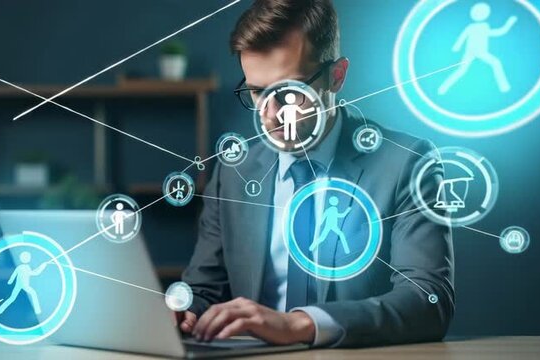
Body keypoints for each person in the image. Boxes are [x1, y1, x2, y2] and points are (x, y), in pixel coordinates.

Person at [178, 0, 453, 348]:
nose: (272, 115)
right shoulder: (233, 171)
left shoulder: (407, 164)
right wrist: (183, 310)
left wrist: (301, 325)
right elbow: (203, 288)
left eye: (289, 92)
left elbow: (429, 302)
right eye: (258, 92)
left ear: (336, 77)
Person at [438, 2, 517, 95]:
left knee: (495, 63)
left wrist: (509, 24)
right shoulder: (471, 27)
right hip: (470, 52)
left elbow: (499, 32)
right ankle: (443, 88)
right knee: (461, 70)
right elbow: (463, 36)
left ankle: (504, 86)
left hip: (481, 52)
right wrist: (457, 46)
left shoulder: (484, 27)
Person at [0, 251, 47, 315]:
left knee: (12, 298)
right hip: (25, 285)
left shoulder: (19, 267)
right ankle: (37, 311)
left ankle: (0, 310)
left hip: (18, 285)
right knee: (33, 293)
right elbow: (35, 273)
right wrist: (42, 267)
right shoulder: (26, 267)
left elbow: (13, 275)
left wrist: (10, 282)